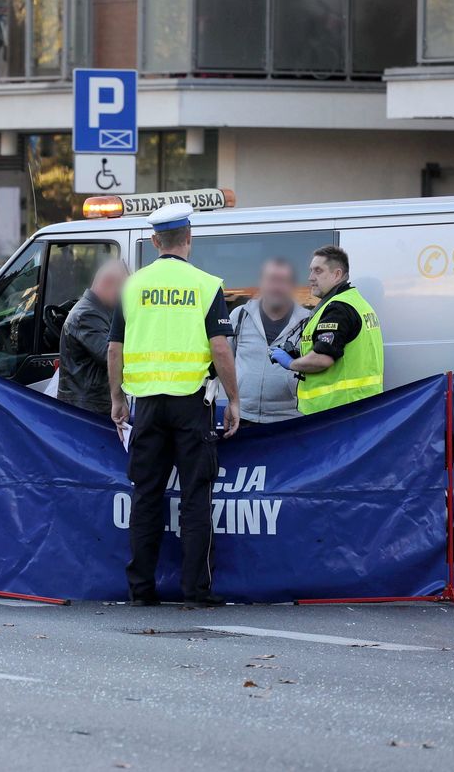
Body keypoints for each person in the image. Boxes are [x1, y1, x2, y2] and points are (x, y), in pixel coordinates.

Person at [107, 203, 240, 608]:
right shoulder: (205, 284)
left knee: (146, 495)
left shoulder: (132, 286)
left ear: (153, 242)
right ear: (189, 240)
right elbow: (220, 347)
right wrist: (233, 399)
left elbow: (114, 349)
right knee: (195, 497)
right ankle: (196, 591)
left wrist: (117, 399)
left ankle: (140, 591)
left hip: (145, 405)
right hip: (191, 404)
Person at [271, 245, 384, 414]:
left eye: (318, 271)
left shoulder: (338, 308)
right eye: (311, 271)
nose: (310, 277)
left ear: (337, 274)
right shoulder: (356, 302)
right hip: (357, 406)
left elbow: (322, 359)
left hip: (337, 410)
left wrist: (291, 363)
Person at [228, 258, 310, 424]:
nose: (276, 287)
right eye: (271, 280)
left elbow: (313, 364)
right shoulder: (240, 316)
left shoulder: (308, 321)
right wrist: (232, 402)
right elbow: (225, 363)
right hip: (244, 416)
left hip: (291, 418)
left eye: (283, 281)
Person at [58, 259, 128, 416]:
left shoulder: (97, 311)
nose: (124, 298)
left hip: (90, 406)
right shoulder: (86, 315)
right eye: (123, 290)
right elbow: (110, 355)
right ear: (107, 283)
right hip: (87, 412)